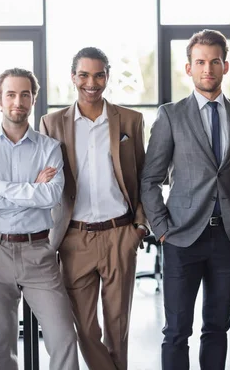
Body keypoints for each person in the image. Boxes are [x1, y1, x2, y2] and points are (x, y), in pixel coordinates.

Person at [141, 29, 230, 370]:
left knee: (218, 327)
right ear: (188, 69)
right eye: (200, 62)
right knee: (176, 330)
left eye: (214, 61)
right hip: (181, 237)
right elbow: (150, 179)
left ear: (225, 66)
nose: (208, 69)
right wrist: (161, 229)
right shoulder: (171, 115)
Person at [40, 47, 149, 370]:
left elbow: (144, 176)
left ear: (107, 77)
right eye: (84, 75)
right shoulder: (52, 123)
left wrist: (139, 227)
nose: (92, 82)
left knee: (118, 329)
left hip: (120, 233)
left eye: (99, 75)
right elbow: (47, 183)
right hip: (75, 238)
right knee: (85, 329)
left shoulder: (130, 120)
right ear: (73, 77)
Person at [0, 68, 78, 370]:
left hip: (38, 251)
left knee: (64, 337)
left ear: (33, 99)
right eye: (11, 94)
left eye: (25, 94)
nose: (18, 101)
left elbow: (50, 197)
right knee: (1, 347)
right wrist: (31, 192)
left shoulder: (49, 148)